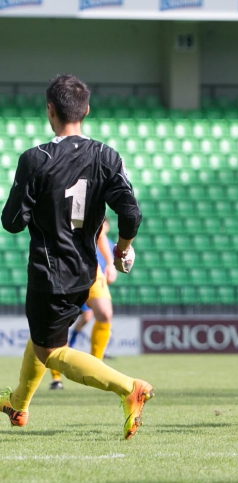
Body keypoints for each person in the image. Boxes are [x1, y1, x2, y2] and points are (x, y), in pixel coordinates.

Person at [0, 74, 152, 439]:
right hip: (86, 270)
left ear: (50, 110)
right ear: (85, 110)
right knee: (43, 336)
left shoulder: (35, 159)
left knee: (53, 351)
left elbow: (12, 223)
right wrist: (122, 248)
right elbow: (130, 213)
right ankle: (18, 404)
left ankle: (129, 388)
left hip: (49, 271)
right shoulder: (106, 155)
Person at [49, 218, 117, 390]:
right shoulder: (55, 198)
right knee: (58, 323)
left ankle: (96, 368)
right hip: (62, 269)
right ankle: (56, 378)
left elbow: (99, 234)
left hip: (91, 270)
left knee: (104, 313)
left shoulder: (91, 198)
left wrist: (110, 263)